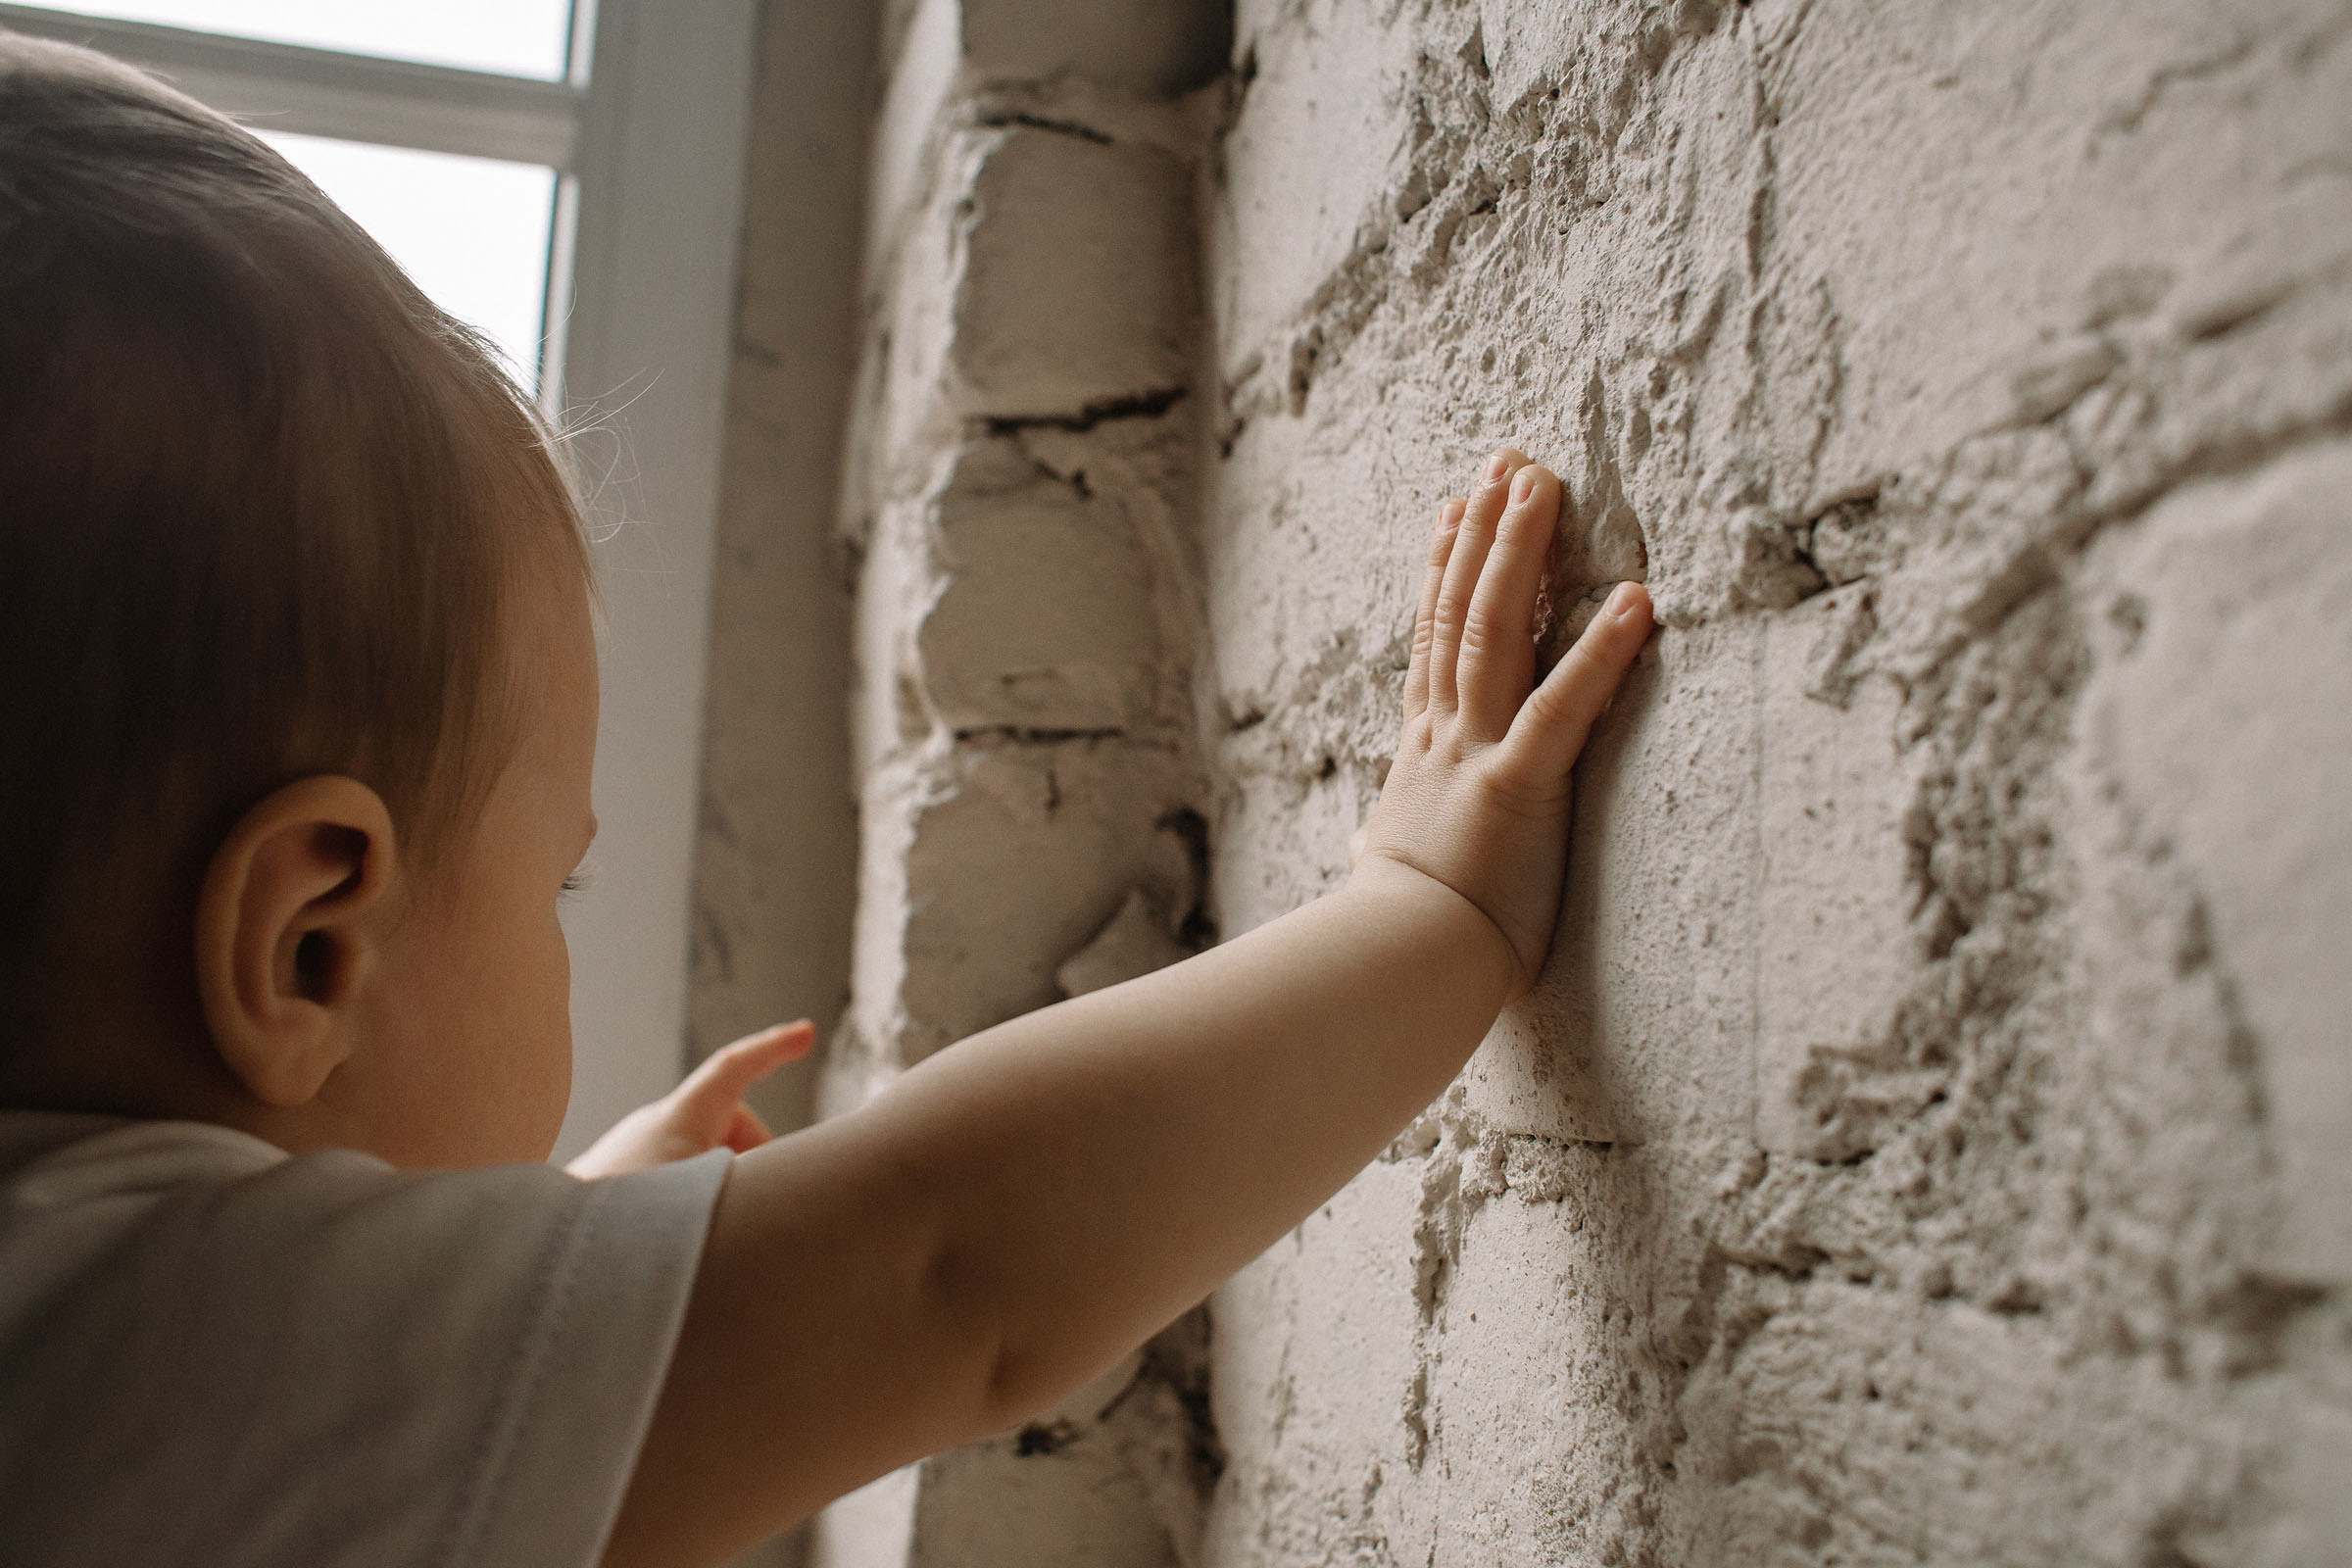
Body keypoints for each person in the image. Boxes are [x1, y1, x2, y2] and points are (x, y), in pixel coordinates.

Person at [0, 31, 1654, 1568]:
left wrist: (579, 1261)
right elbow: (954, 1270)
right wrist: (1427, 911)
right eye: (555, 889)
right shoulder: (186, 1355)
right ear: (306, 946)